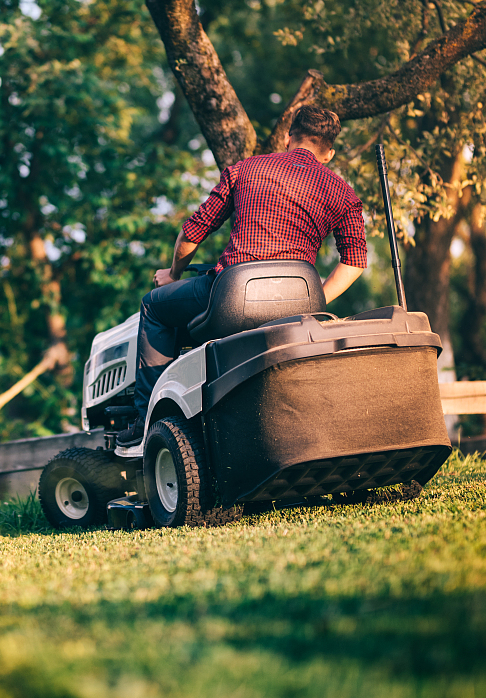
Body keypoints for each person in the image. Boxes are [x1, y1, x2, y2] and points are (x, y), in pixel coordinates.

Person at [116, 105, 368, 447]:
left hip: (233, 297)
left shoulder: (246, 169)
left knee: (154, 307)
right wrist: (315, 298)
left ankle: (148, 420)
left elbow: (193, 232)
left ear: (288, 136)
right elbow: (354, 260)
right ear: (330, 151)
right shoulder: (343, 193)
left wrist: (173, 274)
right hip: (298, 303)